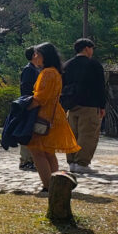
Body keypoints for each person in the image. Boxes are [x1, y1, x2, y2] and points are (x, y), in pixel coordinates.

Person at [26, 43, 81, 191]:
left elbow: (40, 98)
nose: (34, 57)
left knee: (37, 152)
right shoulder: (55, 72)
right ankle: (54, 183)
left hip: (43, 116)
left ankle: (48, 185)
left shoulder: (47, 73)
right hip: (53, 115)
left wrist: (23, 109)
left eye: (36, 54)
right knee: (49, 152)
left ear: (44, 56)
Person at [61, 38, 107, 174]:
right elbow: (100, 87)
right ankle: (82, 163)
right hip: (90, 105)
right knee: (88, 134)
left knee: (72, 135)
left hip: (71, 105)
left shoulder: (67, 65)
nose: (92, 51)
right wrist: (102, 105)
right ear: (86, 48)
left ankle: (72, 162)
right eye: (91, 48)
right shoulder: (94, 65)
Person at [18, 47, 39, 171]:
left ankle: (30, 160)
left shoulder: (34, 69)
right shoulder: (29, 70)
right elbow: (26, 89)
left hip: (32, 104)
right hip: (29, 104)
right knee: (27, 132)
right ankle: (25, 161)